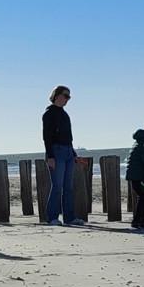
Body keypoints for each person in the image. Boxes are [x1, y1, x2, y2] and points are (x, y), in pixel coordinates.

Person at [42, 85, 83, 225]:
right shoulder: (49, 113)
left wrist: (73, 152)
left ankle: (70, 218)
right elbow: (46, 136)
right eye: (66, 96)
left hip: (67, 151)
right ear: (57, 95)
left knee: (68, 187)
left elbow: (69, 137)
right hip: (56, 151)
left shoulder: (65, 114)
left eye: (69, 97)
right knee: (57, 186)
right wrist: (50, 156)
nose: (67, 99)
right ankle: (52, 217)